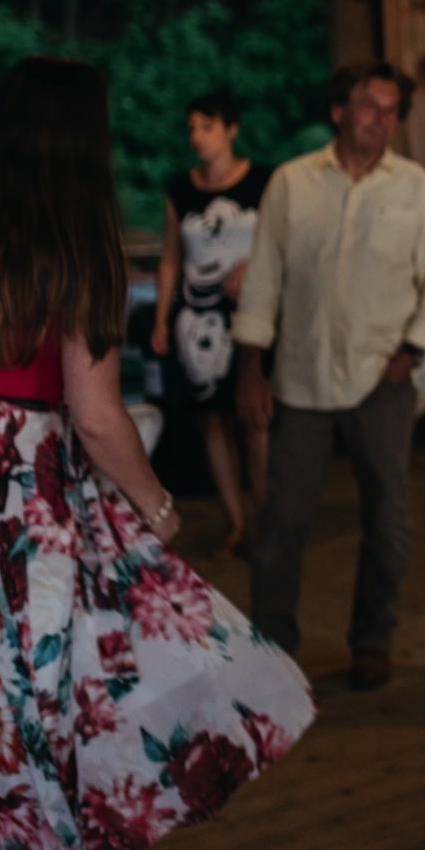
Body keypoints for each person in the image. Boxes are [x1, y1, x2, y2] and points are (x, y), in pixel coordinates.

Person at [0, 57, 312, 850]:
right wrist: (160, 507)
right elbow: (99, 419)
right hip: (19, 497)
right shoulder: (73, 244)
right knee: (55, 692)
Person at [234, 61, 425, 692]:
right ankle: (272, 649)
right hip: (299, 379)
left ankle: (372, 637)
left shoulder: (416, 189)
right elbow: (264, 282)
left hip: (381, 378)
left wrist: (410, 353)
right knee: (282, 520)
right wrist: (251, 370)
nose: (380, 119)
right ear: (338, 111)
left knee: (389, 517)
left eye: (390, 110)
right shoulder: (291, 184)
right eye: (367, 106)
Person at [150, 89, 269, 557]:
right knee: (212, 423)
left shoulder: (264, 181)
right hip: (196, 318)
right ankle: (235, 522)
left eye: (208, 126)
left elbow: (285, 244)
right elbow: (169, 259)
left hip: (250, 314)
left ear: (231, 129)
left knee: (255, 419)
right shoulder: (179, 189)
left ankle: (266, 518)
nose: (198, 137)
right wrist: (161, 319)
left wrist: (254, 268)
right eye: (192, 128)